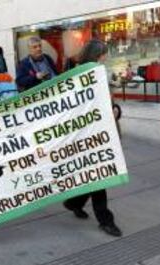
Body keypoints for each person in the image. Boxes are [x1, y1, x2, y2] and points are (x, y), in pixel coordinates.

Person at [63, 40, 122, 237]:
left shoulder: (99, 71)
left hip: (103, 129)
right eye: (104, 53)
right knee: (99, 176)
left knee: (95, 174)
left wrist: (115, 109)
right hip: (89, 132)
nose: (106, 56)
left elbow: (106, 99)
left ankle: (74, 202)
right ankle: (106, 220)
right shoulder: (82, 73)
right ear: (97, 54)